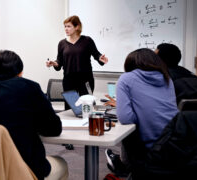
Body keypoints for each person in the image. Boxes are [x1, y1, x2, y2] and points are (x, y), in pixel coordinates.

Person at [0, 50, 68, 180]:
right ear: (20, 73)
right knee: (61, 163)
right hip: (21, 170)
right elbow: (53, 129)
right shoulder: (31, 88)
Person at [109, 48, 178, 179]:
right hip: (176, 141)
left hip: (148, 147)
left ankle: (125, 166)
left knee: (128, 134)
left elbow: (125, 118)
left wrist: (138, 113)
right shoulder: (167, 78)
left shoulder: (126, 78)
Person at [46, 15, 108, 109]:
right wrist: (54, 63)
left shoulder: (87, 41)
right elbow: (59, 62)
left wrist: (100, 58)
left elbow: (97, 55)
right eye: (65, 26)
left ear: (77, 27)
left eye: (69, 26)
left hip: (86, 81)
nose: (66, 29)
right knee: (70, 110)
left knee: (87, 109)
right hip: (69, 81)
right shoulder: (62, 43)